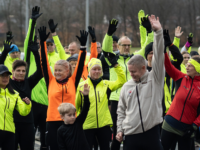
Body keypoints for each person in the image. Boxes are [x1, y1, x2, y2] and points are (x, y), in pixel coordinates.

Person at [102, 16, 153, 150]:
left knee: (131, 132)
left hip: (133, 98)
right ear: (118, 46)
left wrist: (149, 30)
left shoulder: (135, 58)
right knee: (117, 134)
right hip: (116, 99)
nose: (126, 47)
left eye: (129, 45)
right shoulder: (113, 58)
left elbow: (148, 45)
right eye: (124, 45)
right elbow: (105, 50)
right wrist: (109, 34)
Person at [116, 15, 164, 150]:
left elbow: (159, 56)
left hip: (151, 134)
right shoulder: (127, 86)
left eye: (133, 72)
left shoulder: (155, 79)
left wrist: (158, 33)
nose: (131, 75)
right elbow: (121, 111)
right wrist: (120, 130)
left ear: (143, 68)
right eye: (129, 72)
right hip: (130, 136)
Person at [39, 26, 87, 150]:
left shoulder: (73, 81)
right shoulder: (50, 80)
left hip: (70, 122)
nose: (57, 73)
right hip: (52, 121)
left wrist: (83, 47)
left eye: (60, 70)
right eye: (55, 70)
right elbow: (43, 62)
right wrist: (42, 42)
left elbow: (81, 65)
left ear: (67, 71)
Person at [0, 38, 43, 150]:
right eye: (18, 70)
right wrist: (4, 52)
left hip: (28, 124)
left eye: (23, 71)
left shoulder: (29, 82)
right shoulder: (8, 82)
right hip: (12, 124)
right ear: (13, 71)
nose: (21, 73)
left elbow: (40, 72)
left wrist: (36, 53)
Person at [76, 58, 126, 150]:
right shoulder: (82, 85)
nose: (97, 71)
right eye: (94, 69)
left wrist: (116, 66)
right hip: (87, 126)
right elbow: (77, 106)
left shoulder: (106, 84)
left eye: (99, 69)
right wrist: (78, 123)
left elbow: (122, 81)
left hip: (104, 125)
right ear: (89, 70)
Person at [161, 42, 200, 150]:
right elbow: (168, 66)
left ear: (197, 69)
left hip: (187, 129)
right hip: (169, 123)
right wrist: (165, 49)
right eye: (187, 65)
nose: (187, 67)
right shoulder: (181, 77)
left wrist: (195, 125)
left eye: (190, 65)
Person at [23, 6, 48, 150]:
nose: (36, 45)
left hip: (45, 105)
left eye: (38, 44)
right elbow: (27, 41)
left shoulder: (44, 62)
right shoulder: (28, 60)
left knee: (45, 141)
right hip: (31, 104)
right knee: (30, 139)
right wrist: (32, 22)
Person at [0, 64, 31, 150]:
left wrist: (27, 105)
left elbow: (23, 112)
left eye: (7, 76)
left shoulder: (14, 94)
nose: (5, 78)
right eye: (2, 75)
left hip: (10, 132)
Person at [57, 83, 90, 150]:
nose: (73, 117)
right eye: (69, 115)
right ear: (62, 116)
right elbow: (62, 147)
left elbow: (85, 110)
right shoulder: (60, 130)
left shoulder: (78, 122)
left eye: (74, 114)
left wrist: (86, 96)